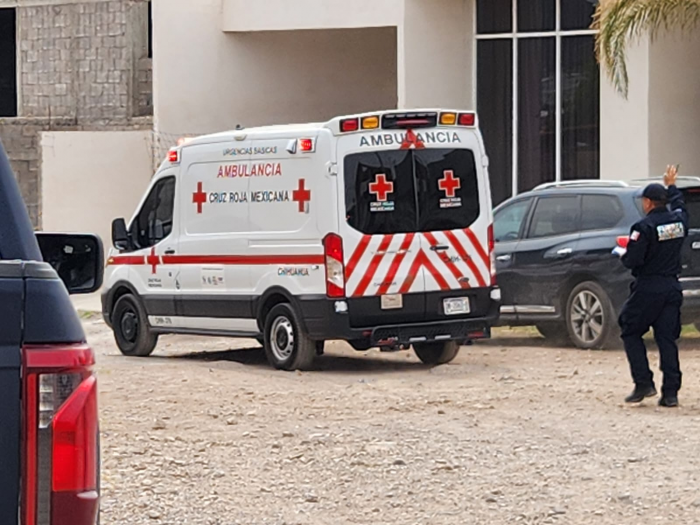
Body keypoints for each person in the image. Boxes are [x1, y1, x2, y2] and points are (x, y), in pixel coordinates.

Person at [618, 164, 688, 407]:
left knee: (629, 329)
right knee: (667, 339)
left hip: (648, 287)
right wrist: (672, 186)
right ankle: (670, 393)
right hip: (672, 287)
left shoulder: (643, 227)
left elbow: (633, 260)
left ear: (648, 202)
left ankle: (643, 382)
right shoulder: (678, 222)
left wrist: (623, 253)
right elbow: (680, 205)